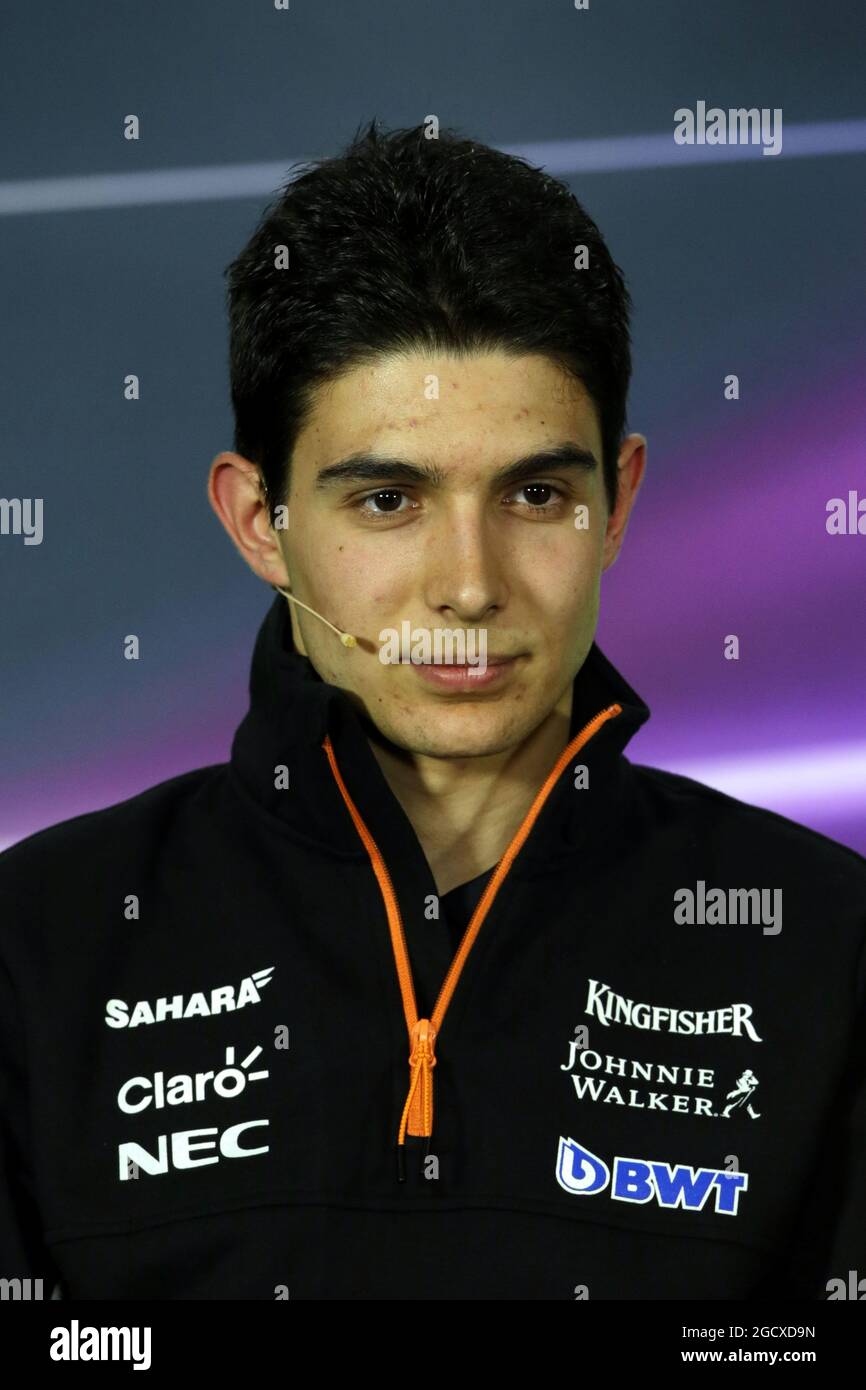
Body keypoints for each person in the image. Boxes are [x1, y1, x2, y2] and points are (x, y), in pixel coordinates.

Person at [1, 120, 864, 1301]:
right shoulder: (35, 952)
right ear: (261, 520)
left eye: (536, 491)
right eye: (390, 497)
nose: (468, 582)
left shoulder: (826, 945)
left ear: (614, 504)